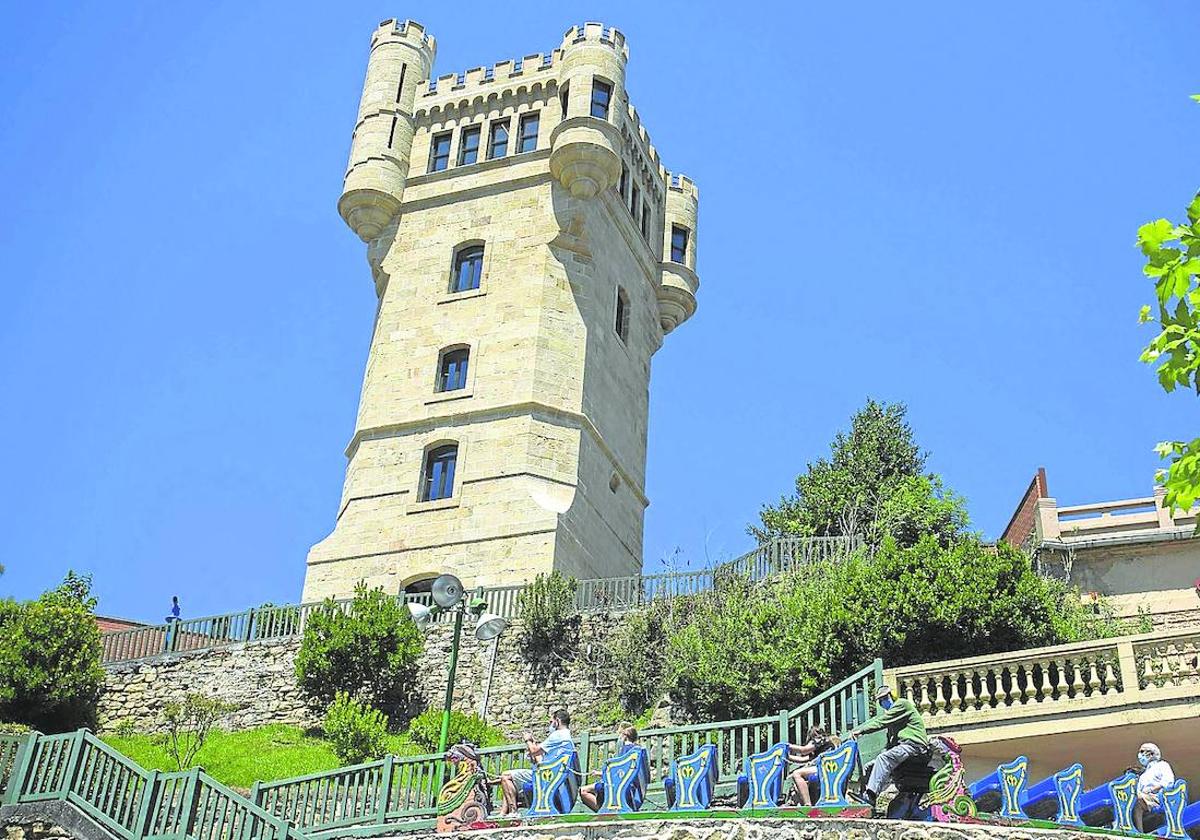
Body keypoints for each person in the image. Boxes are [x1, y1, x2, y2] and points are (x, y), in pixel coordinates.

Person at [847, 684, 929, 814]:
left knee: (883, 758)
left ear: (892, 696)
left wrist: (861, 731)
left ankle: (870, 796)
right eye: (881, 700)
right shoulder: (894, 723)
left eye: (885, 698)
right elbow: (890, 744)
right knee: (870, 766)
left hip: (914, 746)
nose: (884, 702)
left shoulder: (902, 704)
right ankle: (866, 798)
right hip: (904, 748)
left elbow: (881, 722)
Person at [498, 709, 573, 815]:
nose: (550, 725)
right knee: (512, 778)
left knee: (506, 776)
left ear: (557, 721)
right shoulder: (567, 736)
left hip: (546, 775)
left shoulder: (558, 735)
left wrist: (528, 740)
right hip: (553, 772)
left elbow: (534, 752)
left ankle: (513, 812)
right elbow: (541, 755)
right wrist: (534, 745)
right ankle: (503, 813)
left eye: (551, 722)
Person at [580, 723, 639, 811]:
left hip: (620, 786)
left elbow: (618, 772)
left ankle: (602, 811)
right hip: (631, 786)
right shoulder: (636, 749)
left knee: (583, 791)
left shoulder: (626, 750)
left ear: (624, 736)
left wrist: (599, 773)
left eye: (619, 734)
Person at [786, 725, 838, 806]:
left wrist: (787, 746)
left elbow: (803, 750)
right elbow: (803, 759)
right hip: (826, 767)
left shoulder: (820, 740)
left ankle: (807, 804)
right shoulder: (821, 746)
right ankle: (805, 803)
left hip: (825, 767)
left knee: (797, 774)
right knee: (799, 779)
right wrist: (787, 756)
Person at [1133, 742, 1174, 832]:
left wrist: (1151, 789)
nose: (1140, 755)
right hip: (1144, 798)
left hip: (1158, 798)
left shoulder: (1162, 765)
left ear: (1151, 754)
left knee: (1136, 798)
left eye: (1142, 751)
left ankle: (1140, 832)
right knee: (1131, 798)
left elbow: (1168, 782)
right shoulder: (1144, 773)